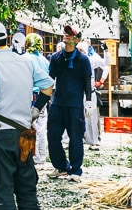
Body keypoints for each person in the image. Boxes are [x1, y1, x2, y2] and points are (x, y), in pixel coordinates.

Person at [0, 18, 54, 210]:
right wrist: (35, 110)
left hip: (0, 133)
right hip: (23, 134)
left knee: (3, 190)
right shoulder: (25, 61)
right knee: (26, 189)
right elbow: (48, 86)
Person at [46, 25, 93, 181]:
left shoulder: (83, 59)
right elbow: (49, 81)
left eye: (70, 35)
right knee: (53, 136)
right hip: (58, 102)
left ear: (77, 40)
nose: (66, 36)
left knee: (76, 137)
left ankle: (75, 169)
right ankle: (61, 166)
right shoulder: (56, 58)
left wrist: (89, 101)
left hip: (75, 104)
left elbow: (87, 82)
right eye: (65, 33)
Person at [25, 32, 51, 165]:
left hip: (29, 96)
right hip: (43, 96)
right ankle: (41, 156)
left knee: (29, 126)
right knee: (41, 127)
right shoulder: (44, 61)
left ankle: (31, 154)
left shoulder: (25, 58)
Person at [76, 41, 101, 152]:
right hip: (78, 92)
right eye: (79, 50)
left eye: (83, 50)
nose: (81, 52)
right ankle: (82, 138)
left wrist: (101, 81)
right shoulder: (74, 61)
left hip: (90, 91)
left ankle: (94, 140)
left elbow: (106, 64)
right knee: (78, 117)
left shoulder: (91, 59)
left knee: (92, 116)